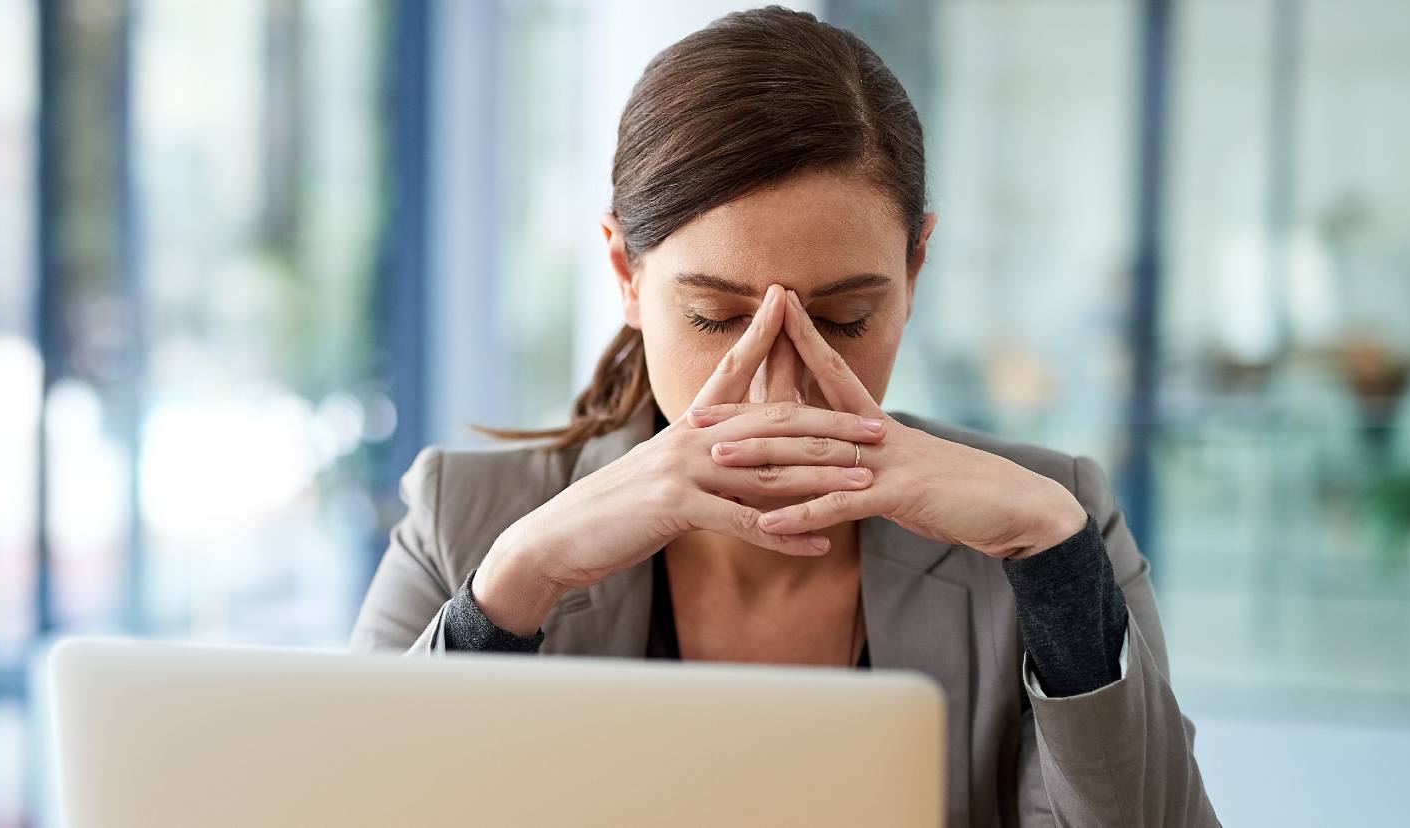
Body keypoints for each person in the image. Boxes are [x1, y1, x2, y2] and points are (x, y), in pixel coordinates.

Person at [350, 7, 1219, 826]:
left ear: (914, 271)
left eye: (842, 320)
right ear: (625, 273)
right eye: (717, 319)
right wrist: (508, 594)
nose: (777, 395)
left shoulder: (1051, 518)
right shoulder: (465, 524)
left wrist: (1058, 567)